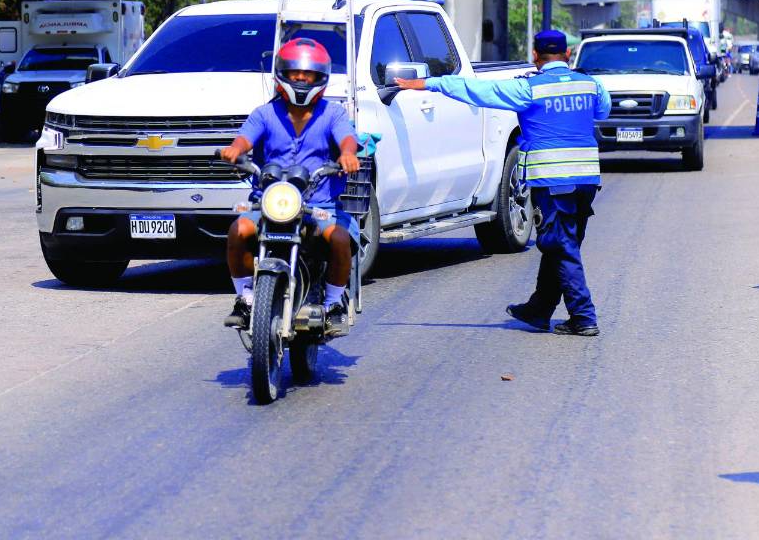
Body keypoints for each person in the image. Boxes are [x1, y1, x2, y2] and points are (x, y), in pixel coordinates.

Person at [395, 29, 612, 336]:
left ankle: (583, 316)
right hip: (587, 180)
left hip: (552, 180)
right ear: (567, 55)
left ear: (535, 56)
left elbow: (476, 90)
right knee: (562, 244)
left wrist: (430, 83)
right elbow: (603, 110)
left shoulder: (528, 89)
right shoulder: (591, 84)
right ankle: (539, 309)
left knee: (560, 245)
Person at [218, 38, 361, 336]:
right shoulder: (264, 114)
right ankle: (246, 298)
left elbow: (347, 138)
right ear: (282, 74)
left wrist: (348, 154)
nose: (301, 78)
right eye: (295, 72)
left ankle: (334, 303)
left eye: (308, 73)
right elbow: (245, 138)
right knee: (238, 231)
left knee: (339, 239)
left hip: (318, 205)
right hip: (268, 202)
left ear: (320, 77)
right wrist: (235, 150)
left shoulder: (333, 113)